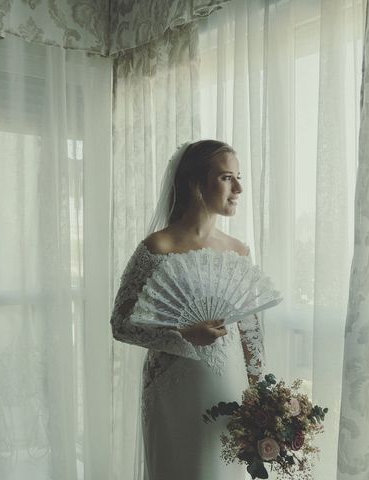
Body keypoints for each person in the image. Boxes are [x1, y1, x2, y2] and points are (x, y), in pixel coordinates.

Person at [110, 140, 270, 480]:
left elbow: (250, 332)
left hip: (230, 385)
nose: (239, 188)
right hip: (175, 389)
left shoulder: (238, 251)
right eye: (227, 177)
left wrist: (262, 396)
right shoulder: (157, 248)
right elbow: (121, 324)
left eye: (238, 177)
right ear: (196, 184)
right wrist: (182, 335)